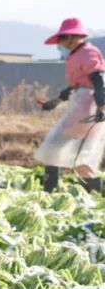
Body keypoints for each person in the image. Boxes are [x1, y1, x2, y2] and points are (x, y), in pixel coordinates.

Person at [35, 18, 105, 194]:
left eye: (63, 38)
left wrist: (102, 107)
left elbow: (99, 80)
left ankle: (49, 194)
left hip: (89, 104)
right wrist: (56, 101)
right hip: (83, 101)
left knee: (53, 146)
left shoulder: (88, 52)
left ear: (75, 37)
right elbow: (76, 85)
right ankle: (95, 197)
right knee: (82, 156)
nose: (60, 42)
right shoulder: (75, 55)